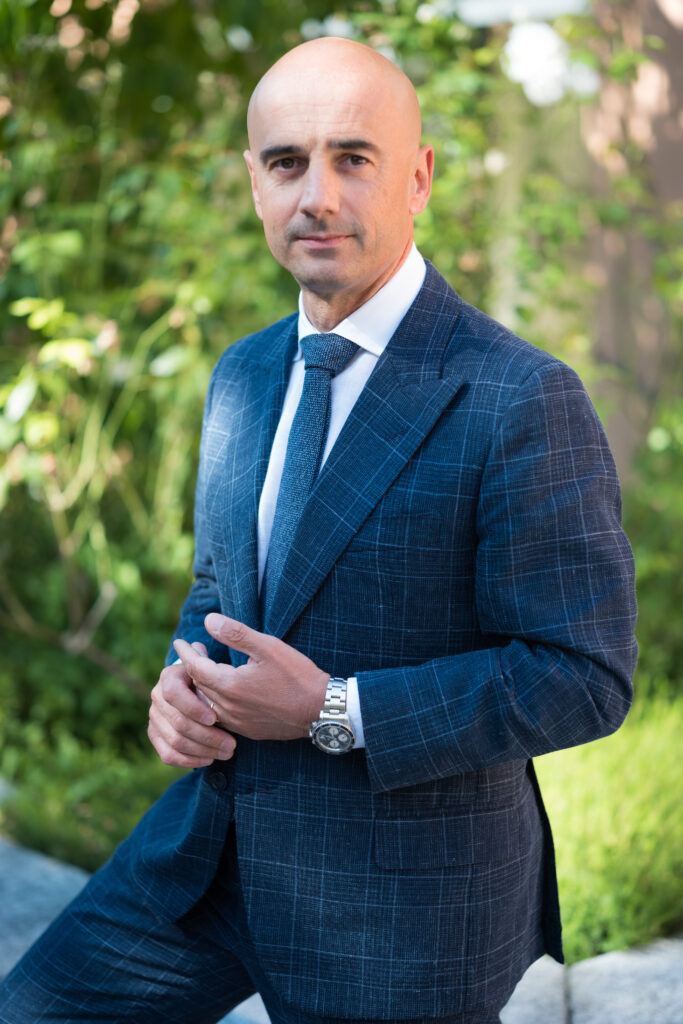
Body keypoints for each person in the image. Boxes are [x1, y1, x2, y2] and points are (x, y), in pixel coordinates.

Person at [0, 36, 637, 1024]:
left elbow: (582, 677)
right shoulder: (244, 375)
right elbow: (222, 592)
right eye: (287, 162)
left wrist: (333, 709)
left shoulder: (518, 397)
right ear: (253, 182)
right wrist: (183, 681)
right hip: (205, 860)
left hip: (401, 907)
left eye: (353, 158)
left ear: (417, 177)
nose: (317, 197)